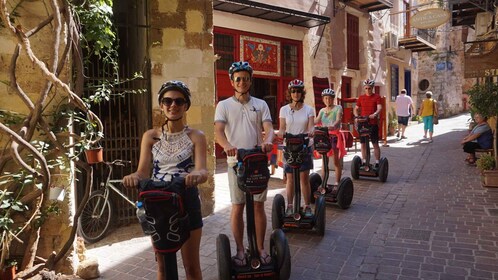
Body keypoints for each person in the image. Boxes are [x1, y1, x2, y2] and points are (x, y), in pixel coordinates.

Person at [122, 80, 208, 280]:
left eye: (179, 101)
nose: (173, 106)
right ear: (161, 105)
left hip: (186, 200)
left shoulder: (196, 136)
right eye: (168, 101)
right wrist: (132, 177)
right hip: (159, 203)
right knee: (162, 265)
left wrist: (196, 175)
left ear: (186, 106)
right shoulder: (150, 136)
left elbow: (202, 169)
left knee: (191, 266)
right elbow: (142, 172)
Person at [214, 61, 275, 266]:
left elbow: (269, 127)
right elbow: (218, 131)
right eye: (238, 78)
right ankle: (240, 250)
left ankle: (260, 247)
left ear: (250, 81)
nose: (241, 82)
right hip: (235, 163)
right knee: (238, 206)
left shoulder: (261, 104)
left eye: (245, 78)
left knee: (258, 206)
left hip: (257, 161)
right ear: (232, 81)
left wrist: (267, 142)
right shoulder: (224, 105)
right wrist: (227, 145)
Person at [278, 79, 315, 217]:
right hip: (289, 147)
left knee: (304, 177)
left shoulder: (308, 109)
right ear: (290, 93)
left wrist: (312, 131)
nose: (296, 93)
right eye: (293, 91)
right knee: (290, 178)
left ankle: (307, 206)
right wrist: (281, 132)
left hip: (304, 145)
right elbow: (282, 128)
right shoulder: (284, 110)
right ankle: (289, 205)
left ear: (302, 93)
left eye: (298, 91)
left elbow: (311, 125)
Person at [314, 88, 347, 187]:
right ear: (323, 99)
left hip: (334, 136)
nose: (328, 100)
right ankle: (324, 184)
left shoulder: (338, 108)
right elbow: (316, 121)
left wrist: (334, 125)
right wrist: (308, 122)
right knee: (324, 161)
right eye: (326, 98)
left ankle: (337, 183)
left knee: (336, 161)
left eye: (330, 98)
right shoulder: (322, 110)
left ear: (333, 99)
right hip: (324, 137)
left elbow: (338, 120)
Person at [353, 79, 382, 168]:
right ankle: (364, 161)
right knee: (362, 143)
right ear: (364, 88)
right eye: (366, 88)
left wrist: (375, 114)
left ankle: (377, 162)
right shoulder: (361, 98)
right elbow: (356, 109)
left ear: (372, 88)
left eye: (369, 88)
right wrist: (357, 116)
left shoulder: (377, 97)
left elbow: (379, 108)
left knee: (375, 143)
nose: (368, 90)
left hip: (372, 123)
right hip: (363, 123)